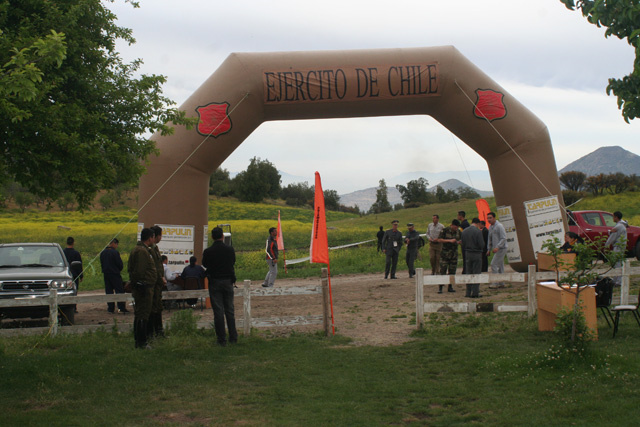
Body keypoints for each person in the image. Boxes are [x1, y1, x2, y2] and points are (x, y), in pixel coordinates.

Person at [202, 226, 238, 346]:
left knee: (218, 311)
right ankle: (233, 337)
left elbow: (205, 264)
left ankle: (221, 339)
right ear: (222, 236)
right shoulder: (230, 249)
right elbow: (233, 262)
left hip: (215, 282)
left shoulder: (208, 251)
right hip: (228, 281)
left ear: (212, 237)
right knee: (230, 310)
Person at [128, 228, 157, 349]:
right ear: (150, 238)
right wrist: (141, 284)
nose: (153, 240)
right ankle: (141, 342)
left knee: (141, 314)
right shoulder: (142, 251)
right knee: (143, 315)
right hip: (143, 288)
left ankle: (139, 341)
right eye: (153, 237)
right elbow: (140, 271)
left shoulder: (139, 249)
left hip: (143, 287)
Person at [100, 238, 127, 313]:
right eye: (116, 244)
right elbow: (119, 264)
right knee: (119, 290)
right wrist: (119, 269)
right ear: (114, 243)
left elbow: (102, 263)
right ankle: (121, 308)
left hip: (106, 274)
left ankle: (110, 308)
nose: (117, 246)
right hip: (115, 274)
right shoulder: (115, 252)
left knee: (109, 291)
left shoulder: (103, 252)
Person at [148, 225, 165, 338]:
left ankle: (159, 332)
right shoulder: (150, 249)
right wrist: (159, 277)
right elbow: (154, 267)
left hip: (158, 284)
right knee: (153, 308)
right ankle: (152, 333)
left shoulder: (155, 248)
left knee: (158, 307)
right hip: (154, 283)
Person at [462, 218, 484, 298]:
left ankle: (468, 292)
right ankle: (475, 292)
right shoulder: (478, 231)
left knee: (468, 272)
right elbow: (481, 244)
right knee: (476, 273)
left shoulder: (464, 231)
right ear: (478, 223)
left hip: (468, 253)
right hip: (476, 253)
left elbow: (463, 243)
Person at [605, 211, 628, 286]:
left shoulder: (618, 227)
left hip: (618, 246)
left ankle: (618, 281)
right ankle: (616, 279)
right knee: (618, 262)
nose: (613, 218)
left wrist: (606, 245)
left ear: (616, 217)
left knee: (617, 263)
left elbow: (612, 237)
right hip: (621, 246)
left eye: (613, 217)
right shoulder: (622, 225)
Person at [437, 219, 461, 293]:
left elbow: (461, 239)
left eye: (457, 227)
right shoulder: (445, 230)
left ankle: (450, 286)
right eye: (455, 227)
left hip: (453, 255)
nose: (456, 228)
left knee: (452, 271)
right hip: (445, 254)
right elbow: (439, 240)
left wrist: (459, 242)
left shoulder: (458, 232)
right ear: (452, 225)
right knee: (442, 271)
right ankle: (440, 287)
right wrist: (449, 241)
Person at [487, 212, 508, 288]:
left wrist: (497, 247)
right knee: (500, 265)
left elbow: (504, 238)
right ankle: (501, 282)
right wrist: (489, 249)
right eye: (488, 218)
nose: (489, 219)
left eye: (490, 218)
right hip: (497, 249)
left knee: (494, 264)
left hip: (502, 248)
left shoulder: (499, 226)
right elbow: (489, 239)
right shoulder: (490, 227)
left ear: (494, 218)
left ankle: (495, 283)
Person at [63, 236, 83, 313]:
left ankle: (65, 307)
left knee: (65, 291)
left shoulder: (63, 252)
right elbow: (79, 265)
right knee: (74, 291)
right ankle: (73, 308)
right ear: (73, 243)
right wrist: (81, 275)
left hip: (65, 275)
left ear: (66, 243)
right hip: (74, 275)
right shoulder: (76, 253)